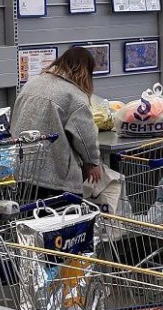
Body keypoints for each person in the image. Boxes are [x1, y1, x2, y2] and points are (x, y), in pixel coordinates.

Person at [10, 46, 104, 198]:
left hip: (20, 169)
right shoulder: (74, 96)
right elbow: (86, 138)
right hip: (53, 179)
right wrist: (92, 163)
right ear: (85, 72)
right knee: (65, 219)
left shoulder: (32, 83)